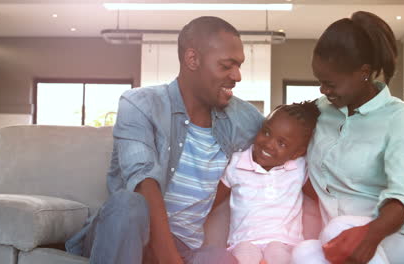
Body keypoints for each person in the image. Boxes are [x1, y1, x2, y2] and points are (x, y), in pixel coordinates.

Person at [65, 16, 264, 264]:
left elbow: (287, 141)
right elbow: (143, 180)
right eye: (226, 65)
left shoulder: (243, 118)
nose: (237, 75)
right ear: (192, 59)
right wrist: (169, 258)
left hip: (185, 247)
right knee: (128, 205)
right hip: (128, 233)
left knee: (220, 258)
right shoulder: (140, 104)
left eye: (239, 65)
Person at [292, 11, 404, 264]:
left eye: (331, 83)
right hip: (339, 233)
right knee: (303, 254)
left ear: (363, 72)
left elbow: (402, 195)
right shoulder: (320, 110)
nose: (323, 90)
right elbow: (279, 133)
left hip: (399, 237)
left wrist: (369, 237)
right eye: (320, 82)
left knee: (337, 229)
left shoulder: (397, 116)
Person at [213, 102, 320, 264]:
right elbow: (210, 201)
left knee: (277, 252)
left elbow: (322, 197)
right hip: (244, 241)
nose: (269, 144)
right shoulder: (237, 163)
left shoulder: (298, 168)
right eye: (267, 132)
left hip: (285, 242)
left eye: (281, 143)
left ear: (296, 153)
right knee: (244, 255)